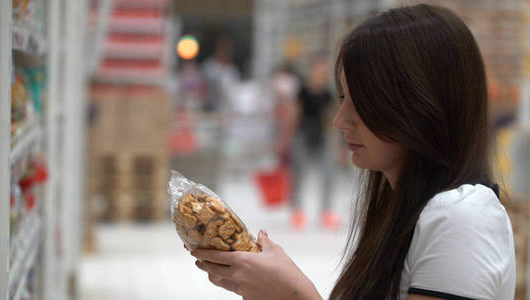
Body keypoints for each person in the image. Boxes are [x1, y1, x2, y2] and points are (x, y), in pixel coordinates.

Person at [189, 4, 516, 299]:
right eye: (344, 97)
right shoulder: (401, 211)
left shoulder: (462, 218)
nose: (340, 120)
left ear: (421, 104)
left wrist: (294, 294)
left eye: (362, 100)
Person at [289, 53, 342, 230]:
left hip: (322, 137)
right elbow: (295, 114)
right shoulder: (303, 90)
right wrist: (288, 137)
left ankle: (326, 211)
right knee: (298, 174)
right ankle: (297, 211)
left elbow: (331, 117)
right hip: (303, 135)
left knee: (328, 174)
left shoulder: (327, 93)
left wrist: (337, 143)